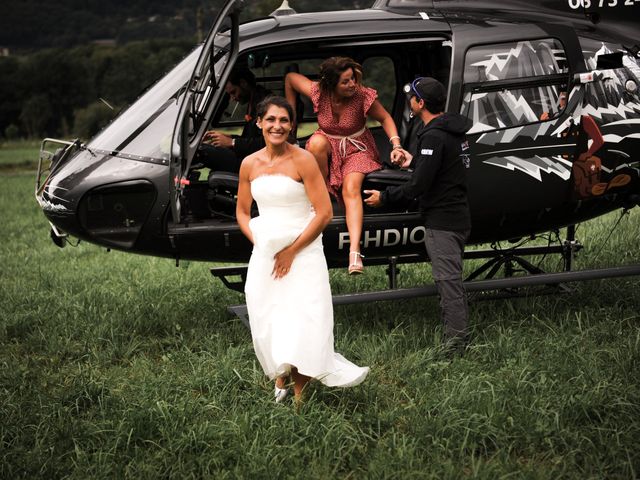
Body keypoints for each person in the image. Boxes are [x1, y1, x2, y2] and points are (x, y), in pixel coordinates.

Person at [236, 96, 369, 404]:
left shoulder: (303, 160)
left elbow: (323, 213)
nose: (277, 126)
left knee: (303, 320)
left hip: (303, 249)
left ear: (292, 125)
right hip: (266, 251)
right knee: (267, 316)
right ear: (259, 123)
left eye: (284, 120)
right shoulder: (249, 164)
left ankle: (300, 401)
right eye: (270, 120)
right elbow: (243, 211)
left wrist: (291, 251)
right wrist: (257, 240)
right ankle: (280, 376)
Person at [364, 77, 472, 352]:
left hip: (443, 221)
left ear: (420, 103)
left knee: (448, 282)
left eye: (412, 96)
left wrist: (385, 198)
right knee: (450, 278)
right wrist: (415, 161)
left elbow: (418, 186)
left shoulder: (434, 135)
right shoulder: (449, 130)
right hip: (457, 213)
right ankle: (456, 337)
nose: (409, 101)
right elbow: (441, 168)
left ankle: (456, 343)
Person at [285, 57, 404, 274]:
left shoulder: (361, 95)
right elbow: (290, 79)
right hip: (328, 142)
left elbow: (385, 118)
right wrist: (291, 125)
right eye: (346, 81)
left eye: (353, 79)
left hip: (357, 147)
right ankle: (321, 200)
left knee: (351, 188)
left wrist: (396, 145)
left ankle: (355, 252)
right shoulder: (318, 91)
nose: (352, 85)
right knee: (317, 144)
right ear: (331, 84)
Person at [197, 68, 270, 172]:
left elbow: (267, 142)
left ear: (243, 83)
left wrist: (232, 142)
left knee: (204, 151)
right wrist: (226, 137)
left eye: (233, 92)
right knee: (206, 150)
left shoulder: (265, 104)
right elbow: (251, 138)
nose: (232, 98)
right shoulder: (254, 101)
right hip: (251, 158)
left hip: (258, 164)